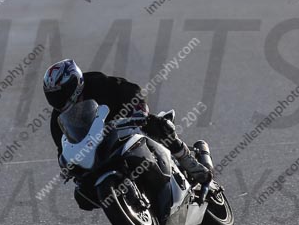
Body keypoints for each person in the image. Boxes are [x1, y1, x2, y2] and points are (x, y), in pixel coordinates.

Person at [43, 59, 213, 210]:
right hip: (97, 148)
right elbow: (64, 148)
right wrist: (67, 166)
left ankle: (189, 161)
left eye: (63, 91)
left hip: (126, 124)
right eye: (54, 95)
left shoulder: (96, 82)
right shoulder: (57, 120)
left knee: (158, 126)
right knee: (83, 196)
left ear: (76, 81)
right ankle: (125, 201)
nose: (59, 98)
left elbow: (130, 90)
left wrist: (139, 110)